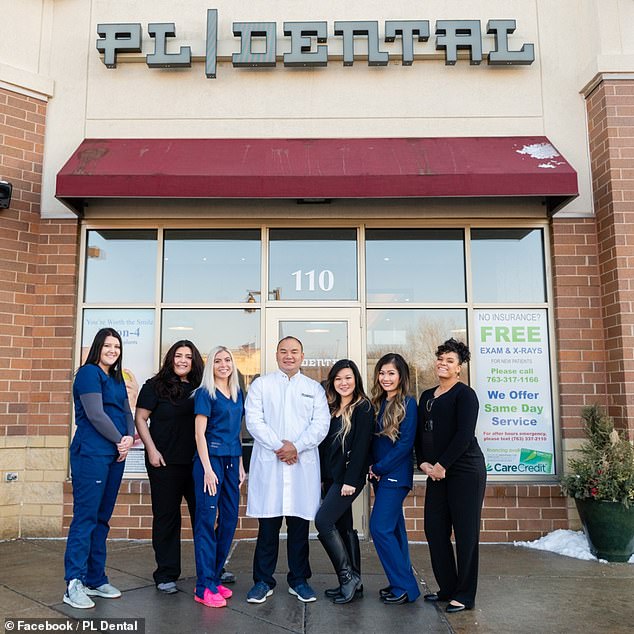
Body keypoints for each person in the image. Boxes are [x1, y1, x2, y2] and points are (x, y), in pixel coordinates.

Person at [245, 336, 330, 604]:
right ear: (276, 354)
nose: (289, 356)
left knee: (298, 529)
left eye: (294, 352)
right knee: (267, 528)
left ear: (302, 356)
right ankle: (262, 581)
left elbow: (320, 424)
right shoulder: (261, 385)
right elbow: (254, 420)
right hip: (271, 464)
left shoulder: (313, 388)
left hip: (301, 466)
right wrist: (279, 447)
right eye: (283, 351)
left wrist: (297, 447)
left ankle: (299, 580)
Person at [63, 328, 135, 609]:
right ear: (97, 347)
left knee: (102, 518)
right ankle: (74, 583)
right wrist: (120, 440)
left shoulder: (117, 377)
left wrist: (128, 438)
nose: (113, 350)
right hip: (92, 452)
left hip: (115, 454)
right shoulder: (88, 373)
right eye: (107, 345)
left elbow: (126, 411)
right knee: (86, 517)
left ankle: (95, 578)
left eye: (117, 346)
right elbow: (95, 413)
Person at [415, 338, 486, 614]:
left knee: (466, 533)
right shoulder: (427, 396)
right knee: (434, 529)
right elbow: (422, 434)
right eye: (441, 359)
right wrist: (423, 463)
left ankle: (465, 595)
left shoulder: (465, 395)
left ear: (459, 367)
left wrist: (442, 464)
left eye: (450, 361)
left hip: (465, 470)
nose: (443, 364)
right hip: (435, 472)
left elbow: (464, 435)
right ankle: (447, 587)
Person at [134, 340, 204, 594]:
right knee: (167, 518)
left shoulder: (201, 388)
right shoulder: (154, 386)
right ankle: (166, 573)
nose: (183, 360)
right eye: (178, 355)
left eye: (188, 356)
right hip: (163, 462)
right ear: (170, 359)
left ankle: (210, 569)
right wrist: (151, 449)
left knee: (203, 518)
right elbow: (140, 418)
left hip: (197, 463)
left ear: (194, 360)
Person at [192, 346, 246, 608]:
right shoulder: (205, 393)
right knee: (205, 521)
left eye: (227, 360)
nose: (223, 365)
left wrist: (241, 464)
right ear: (210, 366)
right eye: (217, 361)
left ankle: (213, 577)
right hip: (210, 462)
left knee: (229, 520)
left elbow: (237, 432)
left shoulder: (237, 393)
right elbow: (199, 434)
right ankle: (203, 586)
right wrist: (207, 469)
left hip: (231, 461)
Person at [316, 359, 374, 604]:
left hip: (348, 479)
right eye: (338, 378)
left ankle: (346, 577)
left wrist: (351, 480)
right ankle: (356, 580)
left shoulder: (363, 407)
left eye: (348, 377)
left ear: (356, 379)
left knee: (323, 521)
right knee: (343, 526)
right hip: (330, 477)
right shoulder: (331, 408)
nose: (343, 383)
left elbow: (362, 447)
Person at [368, 352, 420, 605]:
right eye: (382, 373)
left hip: (394, 476)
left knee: (379, 528)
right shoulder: (376, 402)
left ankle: (406, 585)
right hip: (379, 476)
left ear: (401, 376)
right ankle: (400, 584)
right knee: (395, 530)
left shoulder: (408, 404)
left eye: (391, 373)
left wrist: (379, 467)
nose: (385, 378)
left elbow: (405, 445)